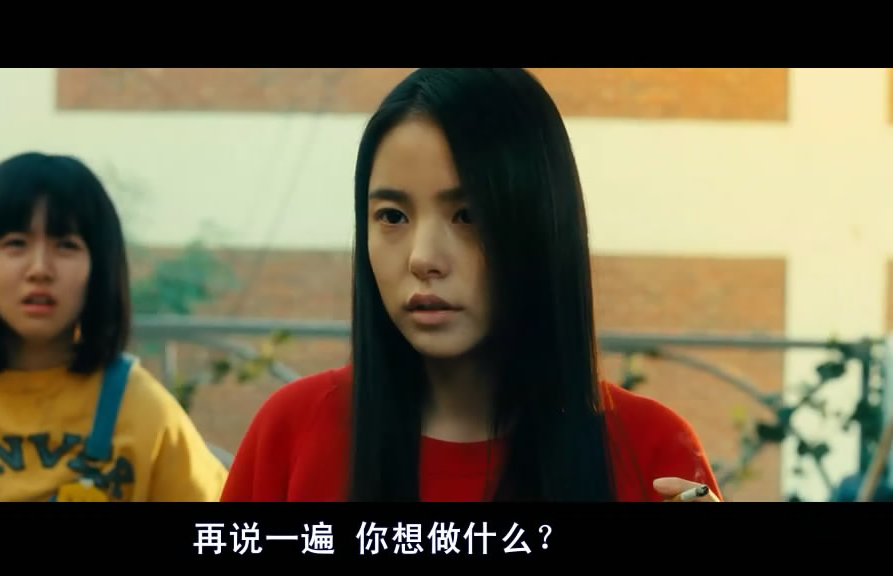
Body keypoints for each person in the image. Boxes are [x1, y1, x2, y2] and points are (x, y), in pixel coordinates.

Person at [220, 68, 721, 502]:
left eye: (468, 216)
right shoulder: (293, 429)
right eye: (392, 216)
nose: (422, 258)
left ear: (543, 225)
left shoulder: (650, 449)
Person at [0, 152, 228, 502]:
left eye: (66, 246)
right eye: (16, 244)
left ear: (99, 269)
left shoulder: (139, 406)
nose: (40, 268)